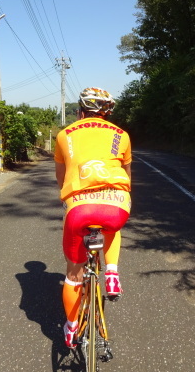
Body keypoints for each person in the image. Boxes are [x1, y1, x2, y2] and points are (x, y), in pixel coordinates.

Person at [54, 87, 132, 348]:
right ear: (107, 112)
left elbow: (61, 178)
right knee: (111, 223)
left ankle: (71, 328)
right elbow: (127, 177)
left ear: (81, 109)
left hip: (79, 208)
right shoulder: (122, 135)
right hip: (116, 206)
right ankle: (111, 273)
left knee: (73, 274)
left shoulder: (64, 135)